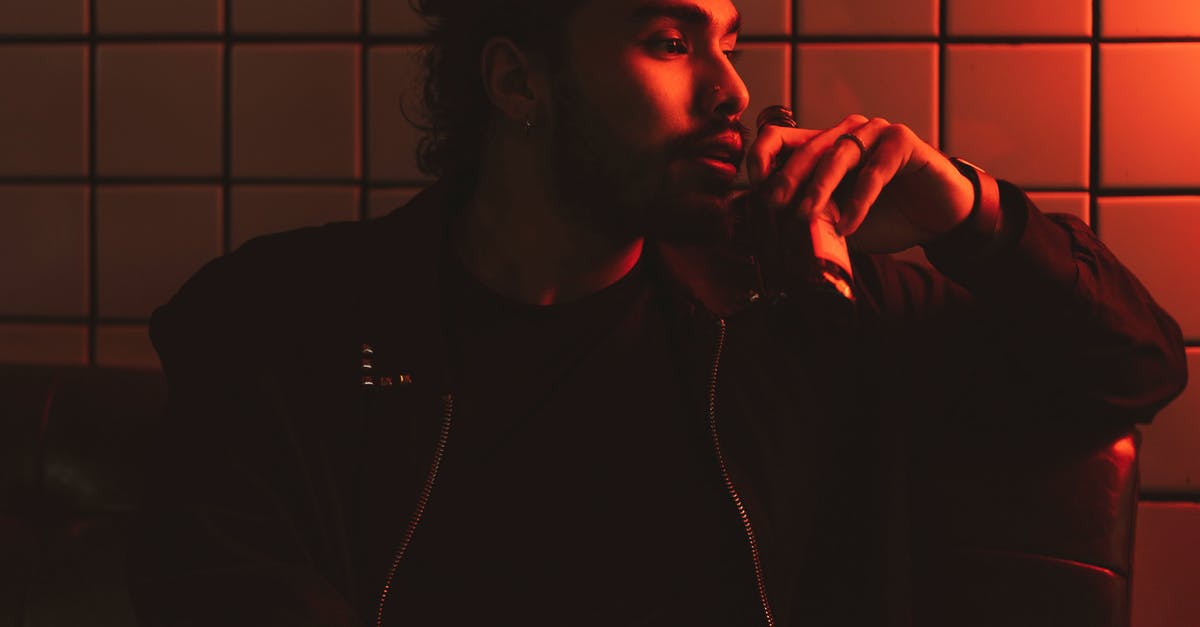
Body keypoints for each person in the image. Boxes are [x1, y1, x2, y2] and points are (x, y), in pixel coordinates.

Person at [128, 0, 1188, 625]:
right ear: (518, 82)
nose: (730, 91)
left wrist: (969, 211)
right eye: (671, 40)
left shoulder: (791, 308)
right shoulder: (277, 327)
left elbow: (1131, 366)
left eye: (728, 38)